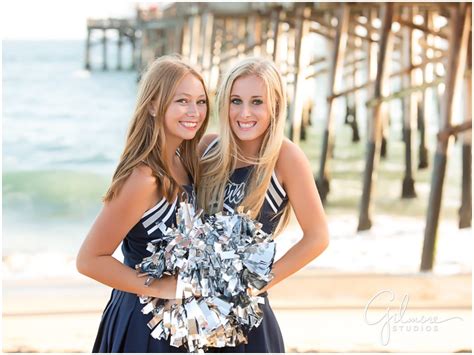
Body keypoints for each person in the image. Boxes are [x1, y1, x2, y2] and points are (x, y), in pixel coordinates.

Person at [76, 55, 209, 353]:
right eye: (182, 101)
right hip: (144, 323)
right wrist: (162, 286)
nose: (194, 112)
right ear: (152, 105)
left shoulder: (185, 162)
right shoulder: (143, 178)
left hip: (182, 323)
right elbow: (89, 259)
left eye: (201, 102)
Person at [198, 57, 330, 352]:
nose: (245, 113)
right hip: (195, 313)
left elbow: (318, 237)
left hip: (246, 317)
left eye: (257, 101)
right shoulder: (207, 149)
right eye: (236, 100)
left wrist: (255, 286)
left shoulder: (285, 157)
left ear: (275, 106)